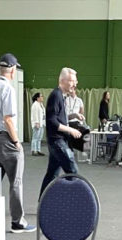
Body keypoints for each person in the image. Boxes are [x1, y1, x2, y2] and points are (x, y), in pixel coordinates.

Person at [0, 52, 34, 233]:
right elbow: (8, 119)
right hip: (6, 139)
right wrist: (17, 142)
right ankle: (17, 221)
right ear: (12, 70)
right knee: (15, 182)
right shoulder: (7, 89)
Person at [40, 67, 84, 197]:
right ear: (63, 80)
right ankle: (79, 201)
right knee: (73, 172)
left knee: (52, 174)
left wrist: (73, 115)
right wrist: (71, 130)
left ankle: (42, 202)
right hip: (57, 141)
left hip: (58, 140)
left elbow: (60, 118)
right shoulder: (56, 95)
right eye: (72, 81)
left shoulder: (61, 96)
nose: (75, 84)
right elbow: (52, 121)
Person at [30, 92, 45, 156]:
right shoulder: (35, 105)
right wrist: (36, 122)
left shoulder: (41, 104)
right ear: (37, 98)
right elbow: (34, 114)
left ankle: (38, 150)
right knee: (35, 137)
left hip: (42, 123)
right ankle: (34, 150)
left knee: (39, 138)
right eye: (41, 96)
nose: (42, 97)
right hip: (37, 123)